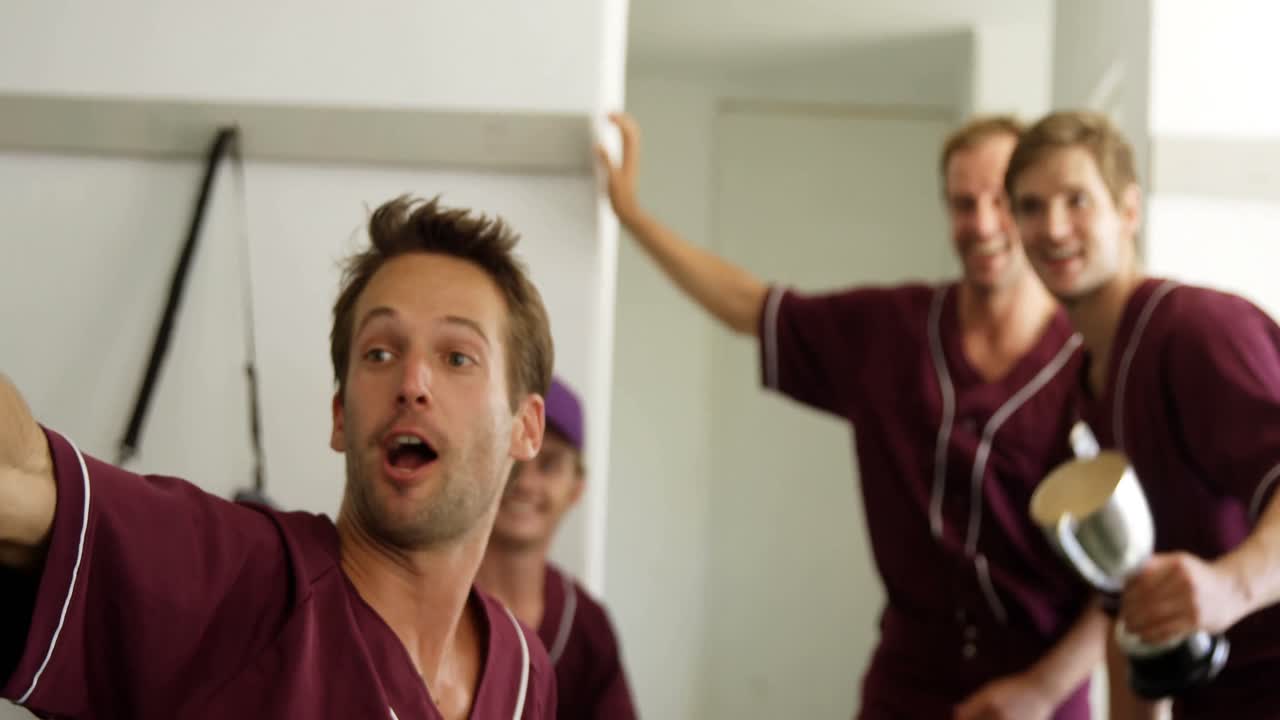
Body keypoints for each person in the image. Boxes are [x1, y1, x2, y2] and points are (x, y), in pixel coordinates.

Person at [595, 112, 1107, 718]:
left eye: (1002, 200)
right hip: (910, 685)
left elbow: (1127, 578)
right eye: (964, 204)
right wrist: (632, 216)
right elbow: (749, 306)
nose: (984, 223)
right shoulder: (890, 333)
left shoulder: (1091, 363)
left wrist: (1044, 691)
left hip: (1043, 691)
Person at [0, 196, 559, 719]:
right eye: (380, 352)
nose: (412, 382)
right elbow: (22, 475)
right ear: (342, 416)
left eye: (457, 357)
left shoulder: (524, 677)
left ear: (526, 428)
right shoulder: (243, 581)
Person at [1007, 110, 1280, 720]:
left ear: (1128, 211)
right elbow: (1127, 611)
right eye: (1030, 207)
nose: (1053, 228)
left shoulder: (1199, 329)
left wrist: (1228, 587)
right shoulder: (1085, 390)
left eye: (1077, 200)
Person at [477, 377, 637, 719]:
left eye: (548, 464)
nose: (526, 482)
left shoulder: (587, 628)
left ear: (576, 489)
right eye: (513, 458)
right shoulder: (432, 601)